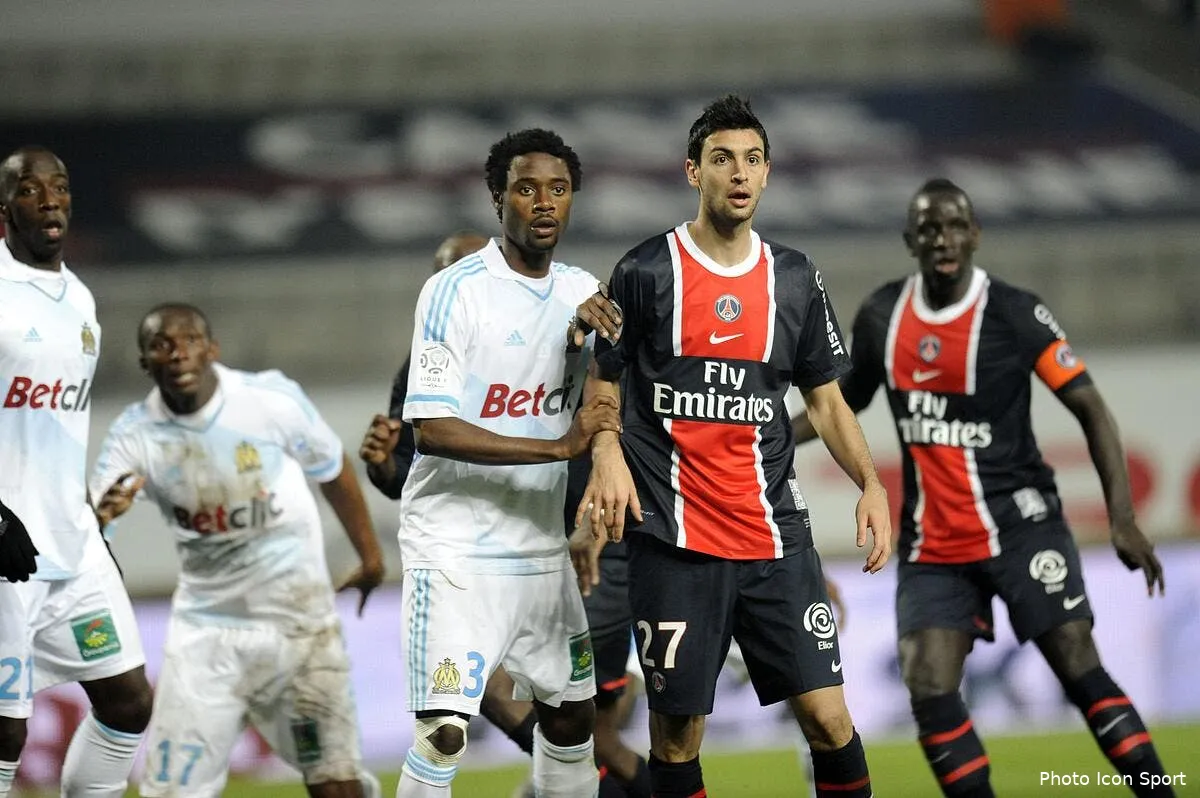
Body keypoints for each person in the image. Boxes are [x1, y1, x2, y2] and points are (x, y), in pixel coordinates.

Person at [791, 178, 1173, 797]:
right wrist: (768, 433)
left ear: (974, 234)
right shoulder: (884, 315)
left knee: (1078, 663)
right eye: (929, 228)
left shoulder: (1016, 315)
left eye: (954, 226)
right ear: (911, 239)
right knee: (927, 684)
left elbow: (1092, 409)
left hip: (1022, 527)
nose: (942, 239)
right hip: (935, 543)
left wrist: (1122, 516)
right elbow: (846, 401)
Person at [578, 95, 891, 798]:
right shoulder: (646, 272)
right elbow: (603, 384)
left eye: (752, 160)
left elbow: (826, 402)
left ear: (769, 174)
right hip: (674, 544)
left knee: (829, 718)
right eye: (722, 159)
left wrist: (870, 483)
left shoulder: (795, 279)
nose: (739, 174)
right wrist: (604, 452)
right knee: (676, 737)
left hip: (774, 537)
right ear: (694, 171)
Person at [394, 127, 622, 798]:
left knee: (574, 719)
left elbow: (608, 398)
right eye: (526, 189)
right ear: (499, 199)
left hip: (540, 549)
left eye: (558, 189)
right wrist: (557, 447)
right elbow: (431, 427)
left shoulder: (584, 291)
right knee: (443, 731)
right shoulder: (455, 291)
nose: (544, 203)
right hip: (454, 548)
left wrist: (591, 347)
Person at [89, 303, 386, 797]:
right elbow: (95, 524)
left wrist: (371, 558)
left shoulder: (268, 400)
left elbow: (332, 468)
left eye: (189, 341)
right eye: (162, 345)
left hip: (298, 623)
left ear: (212, 349)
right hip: (206, 633)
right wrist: (99, 519)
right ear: (146, 361)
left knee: (335, 785)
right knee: (171, 791)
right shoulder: (134, 435)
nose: (178, 353)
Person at [0, 146, 155, 797]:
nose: (51, 199)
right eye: (30, 190)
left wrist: (88, 514)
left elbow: (51, 428)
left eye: (59, 187)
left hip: (71, 542)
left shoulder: (80, 300)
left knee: (128, 704)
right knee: (5, 733)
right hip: (6, 547)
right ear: (6, 207)